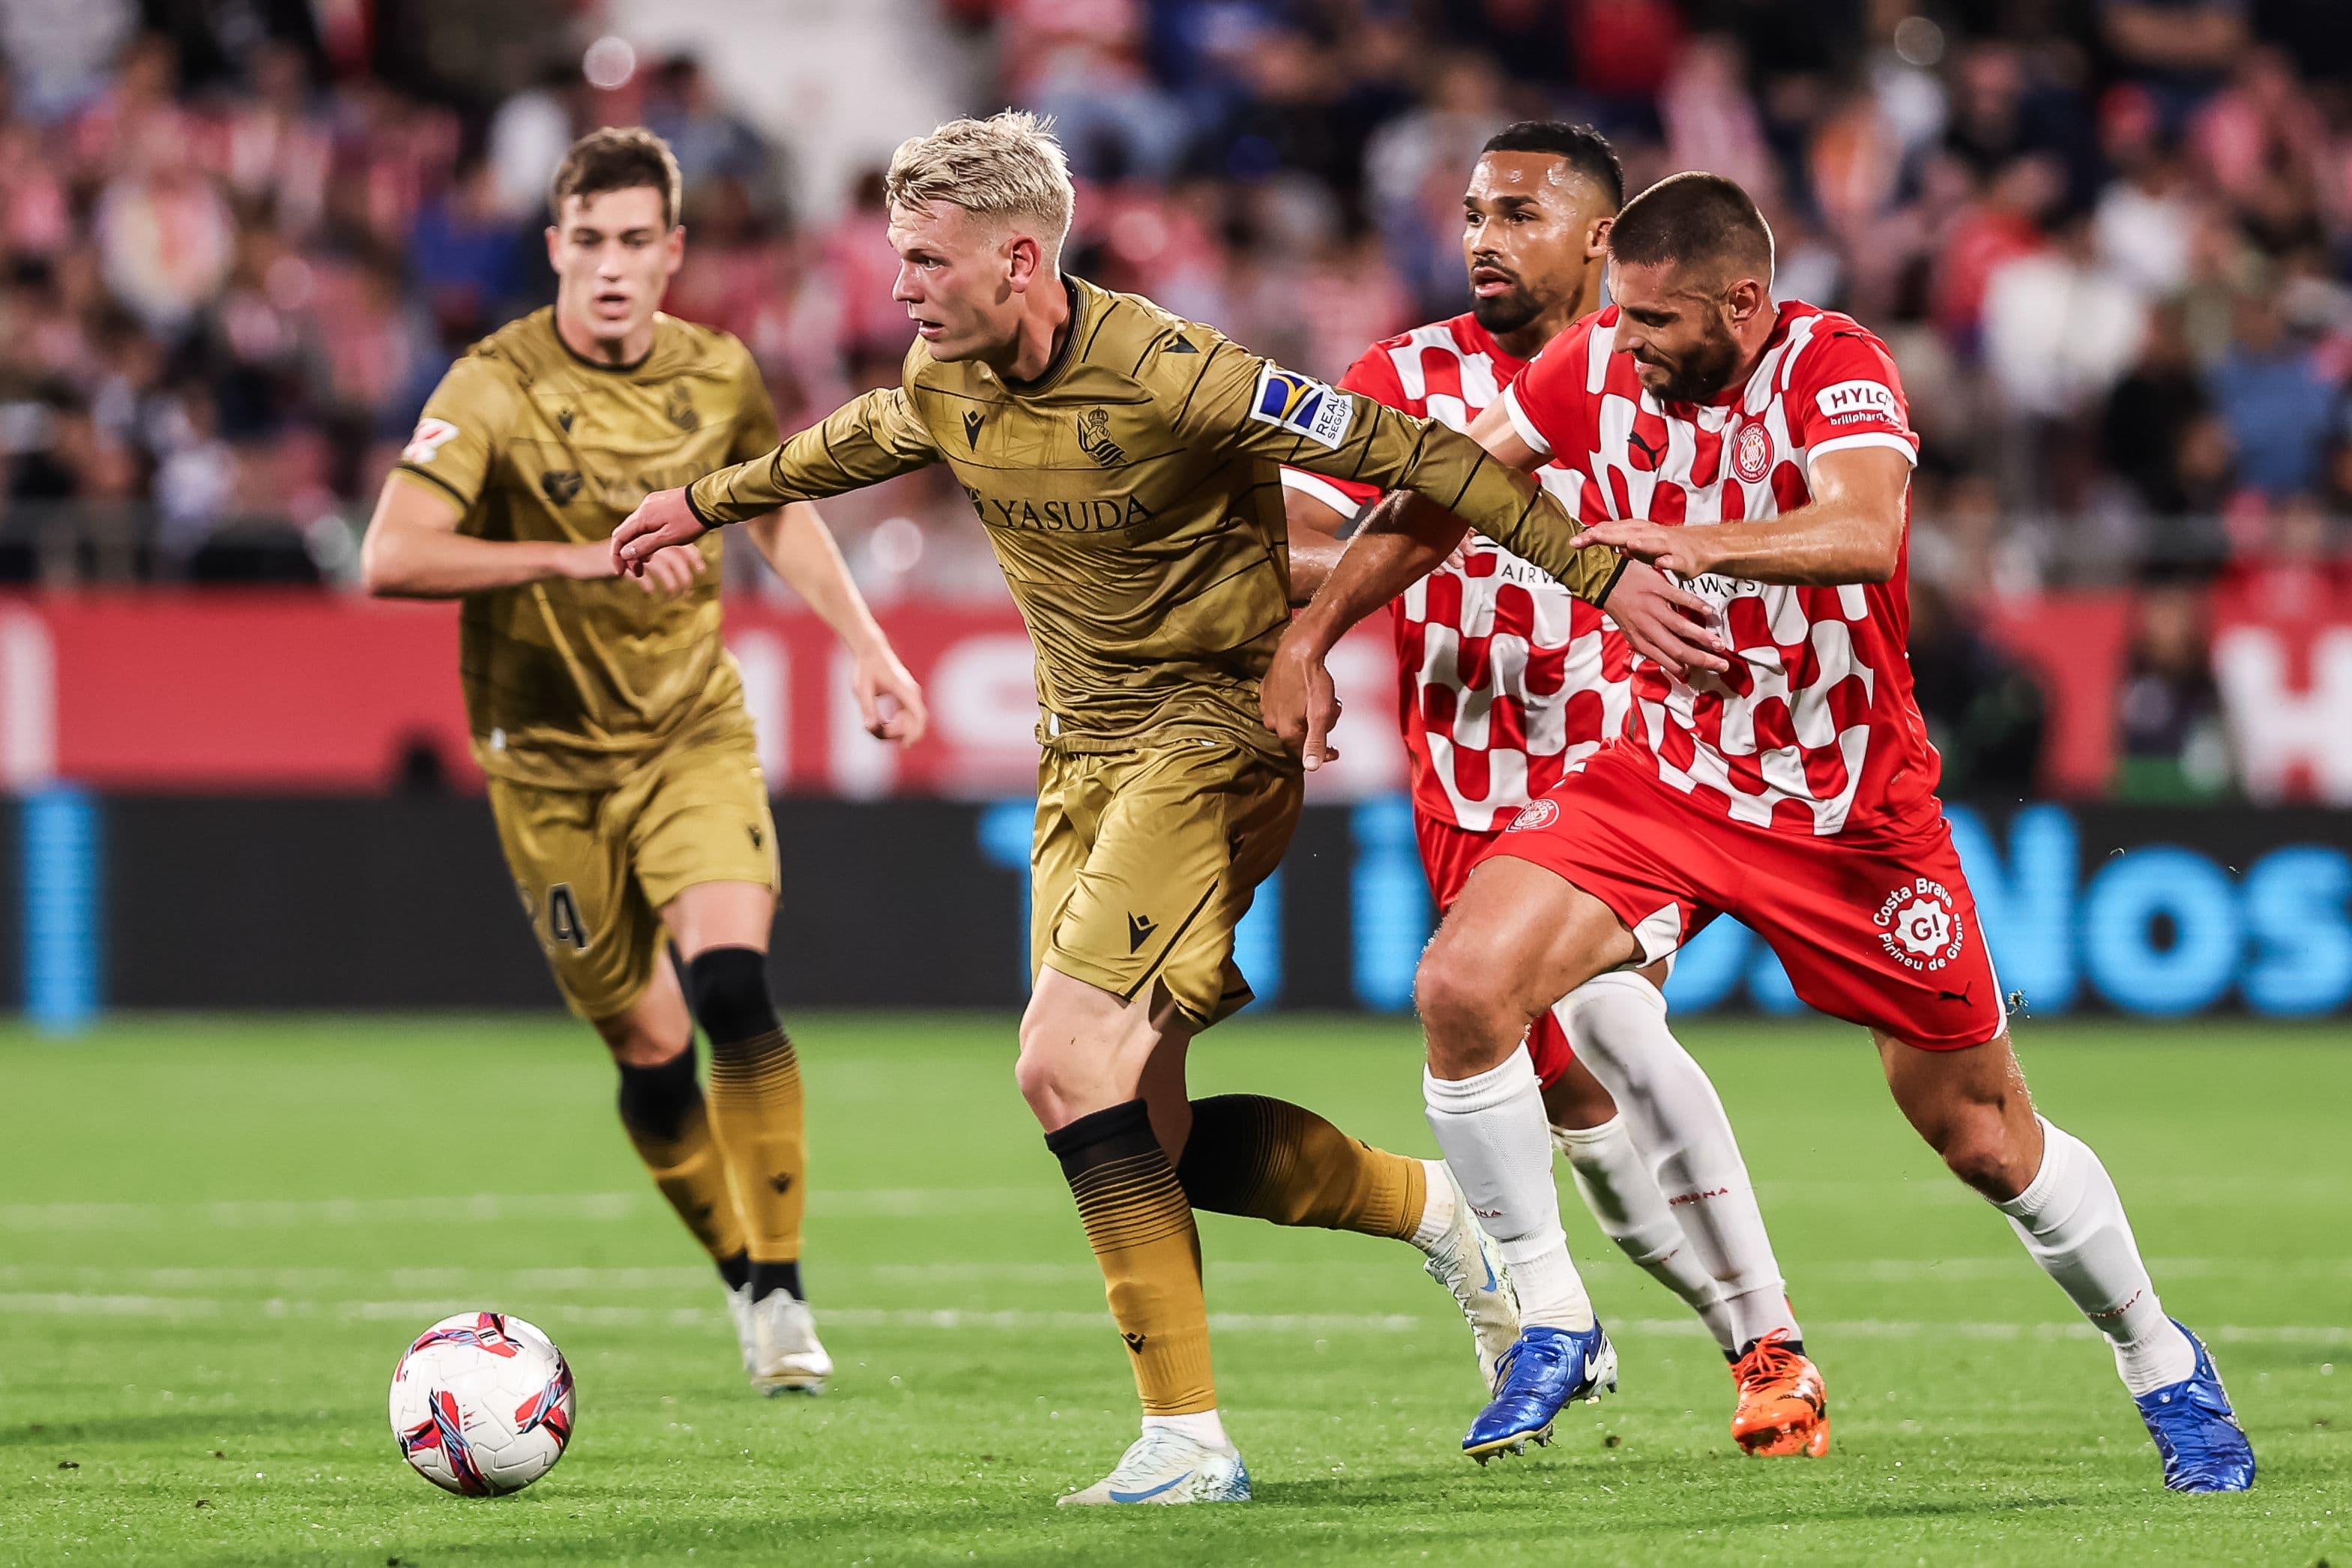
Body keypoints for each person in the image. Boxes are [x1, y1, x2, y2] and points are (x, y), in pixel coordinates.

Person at [611, 112, 1722, 1505]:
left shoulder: (1175, 371)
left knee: (1057, 1066)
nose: (896, 285)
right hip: (1076, 757)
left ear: (1018, 259)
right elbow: (876, 432)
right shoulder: (943, 369)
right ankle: (1443, 1219)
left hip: (1209, 740)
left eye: (923, 260)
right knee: (1145, 1127)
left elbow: (1419, 459)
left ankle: (1187, 1441)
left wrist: (1594, 573)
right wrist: (704, 501)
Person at [1264, 170, 2256, 1494]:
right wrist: (1308, 637)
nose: (1629, 343)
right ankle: (1554, 1318)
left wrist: (1680, 545)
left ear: (1744, 300)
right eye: (1620, 315)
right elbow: (1444, 495)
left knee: (1981, 1137)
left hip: (1851, 812)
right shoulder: (1589, 367)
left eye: (1660, 322)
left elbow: (1861, 529)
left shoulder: (1833, 363)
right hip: (1664, 779)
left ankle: (2160, 1361)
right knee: (1462, 984)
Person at [1281, 120, 1824, 1458]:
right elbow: (1296, 527)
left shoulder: (1667, 373)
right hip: (1467, 786)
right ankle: (1738, 1343)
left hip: (1631, 775)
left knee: (1612, 1027)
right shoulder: (1403, 377)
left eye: (1516, 213)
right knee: (1571, 1098)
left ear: (1599, 237)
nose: (1479, 237)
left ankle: (1596, 1324)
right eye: (1470, 211)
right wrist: (1315, 606)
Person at [361, 128, 931, 1398]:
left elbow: (773, 505)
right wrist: (575, 553)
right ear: (555, 246)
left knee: (731, 985)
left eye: (636, 244)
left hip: (690, 735)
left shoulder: (716, 374)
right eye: (589, 243)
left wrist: (865, 644)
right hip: (547, 767)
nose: (611, 268)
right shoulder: (490, 385)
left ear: (672, 254)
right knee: (648, 1049)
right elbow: (389, 556)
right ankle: (738, 1267)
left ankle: (782, 1291)